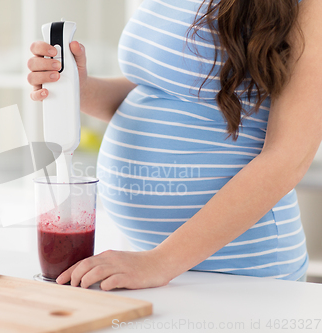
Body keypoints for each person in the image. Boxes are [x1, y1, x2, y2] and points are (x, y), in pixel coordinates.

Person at [27, 0, 321, 290]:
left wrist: (161, 262)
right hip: (160, 267)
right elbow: (160, 90)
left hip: (243, 274)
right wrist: (80, 88)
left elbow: (288, 159)